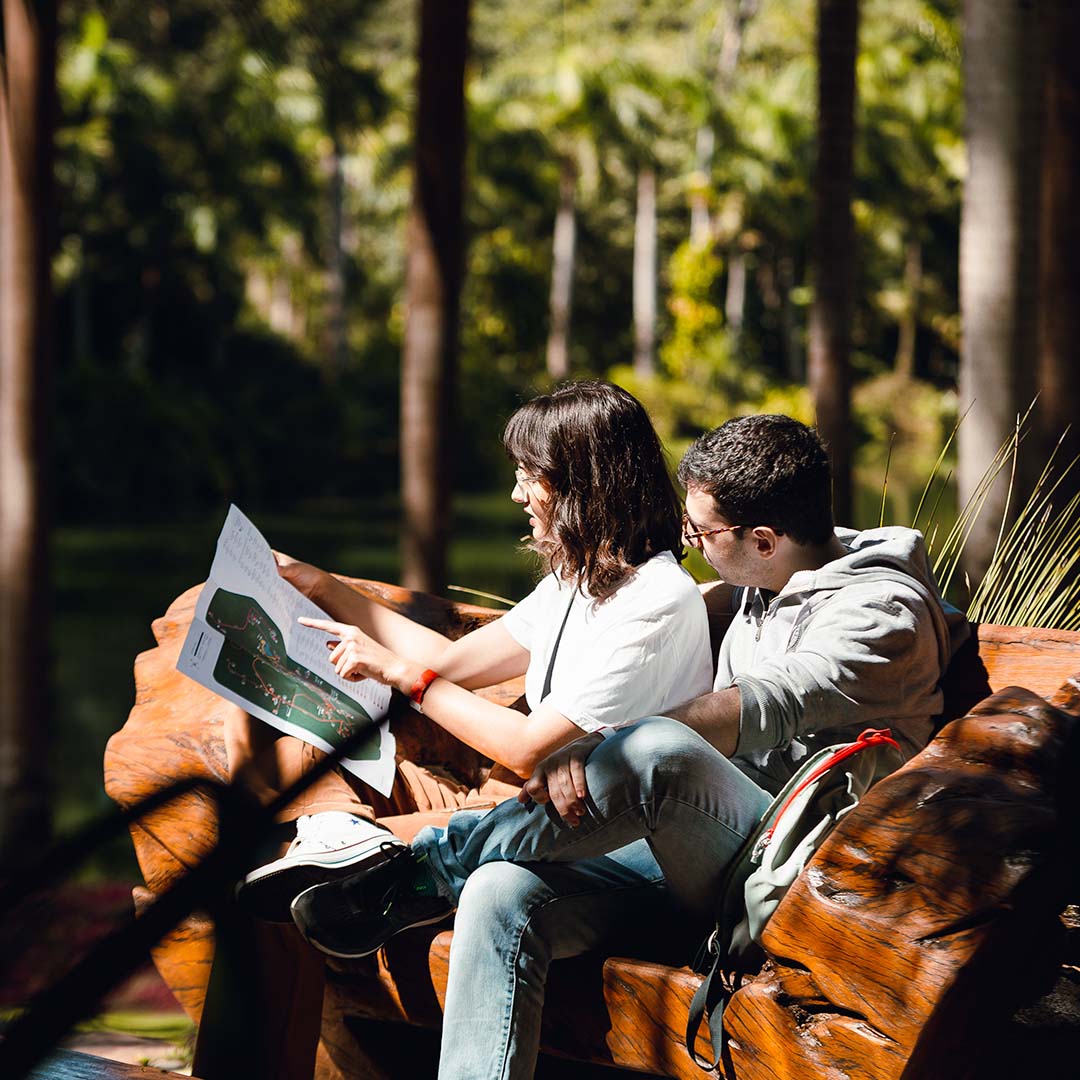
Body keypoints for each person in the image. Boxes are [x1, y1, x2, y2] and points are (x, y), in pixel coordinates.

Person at [293, 413, 969, 1080]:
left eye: (699, 532)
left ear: (764, 540)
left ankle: (419, 871)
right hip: (689, 852)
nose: (687, 541)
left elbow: (754, 707)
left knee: (655, 753)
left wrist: (602, 744)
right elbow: (474, 658)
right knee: (500, 891)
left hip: (790, 870)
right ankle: (431, 884)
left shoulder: (878, 620)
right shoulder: (770, 577)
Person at [233, 378, 713, 936]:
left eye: (530, 477)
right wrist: (323, 587)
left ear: (585, 485)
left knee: (300, 865)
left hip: (567, 822)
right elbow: (453, 662)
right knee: (302, 752)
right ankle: (341, 837)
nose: (516, 494)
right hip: (509, 796)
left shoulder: (654, 600)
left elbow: (529, 748)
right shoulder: (576, 581)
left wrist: (403, 675)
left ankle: (355, 856)